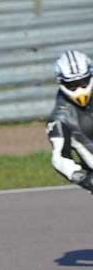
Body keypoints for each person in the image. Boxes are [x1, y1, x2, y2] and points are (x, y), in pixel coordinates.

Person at [47, 50, 93, 192]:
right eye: (72, 85)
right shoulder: (60, 118)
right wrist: (83, 178)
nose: (79, 90)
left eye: (83, 82)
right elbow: (59, 158)